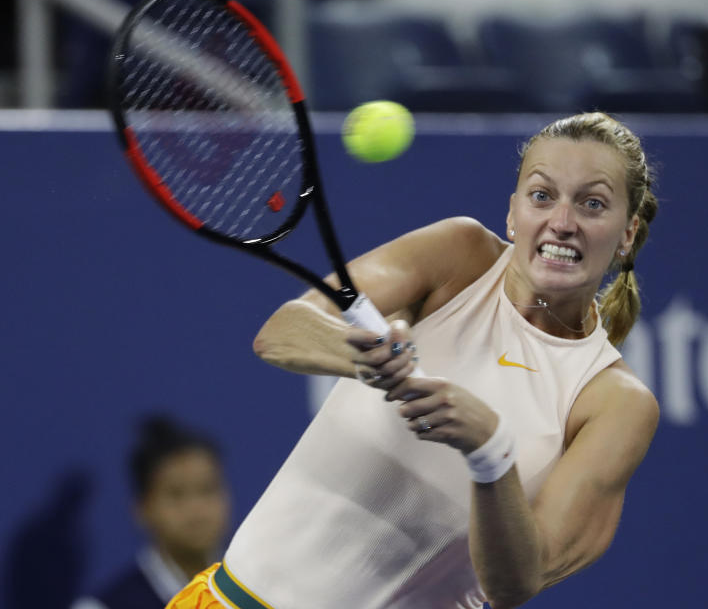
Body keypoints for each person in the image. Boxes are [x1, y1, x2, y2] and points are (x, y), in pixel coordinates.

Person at [166, 111, 660, 609]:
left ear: (626, 233)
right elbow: (281, 333)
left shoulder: (616, 404)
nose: (562, 221)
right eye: (542, 196)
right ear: (513, 214)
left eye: (592, 204)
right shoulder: (459, 254)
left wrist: (490, 452)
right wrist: (365, 358)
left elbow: (516, 582)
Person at [71, 416, 231, 609]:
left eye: (207, 489)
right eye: (176, 494)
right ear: (143, 509)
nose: (196, 509)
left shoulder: (259, 591)